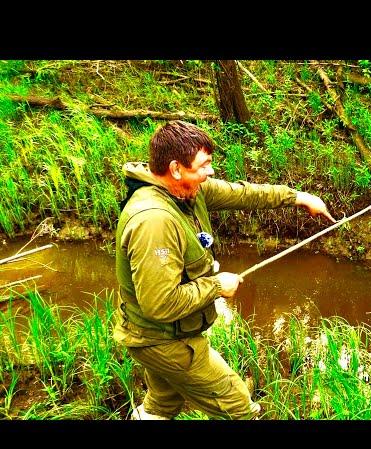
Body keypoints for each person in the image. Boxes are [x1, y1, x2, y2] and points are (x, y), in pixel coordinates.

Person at [113, 120, 335, 420]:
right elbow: (159, 303)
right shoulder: (154, 221)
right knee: (238, 407)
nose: (211, 172)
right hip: (163, 340)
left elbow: (243, 194)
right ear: (176, 169)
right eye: (203, 165)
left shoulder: (189, 191)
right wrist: (216, 286)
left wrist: (298, 197)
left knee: (162, 403)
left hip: (161, 335)